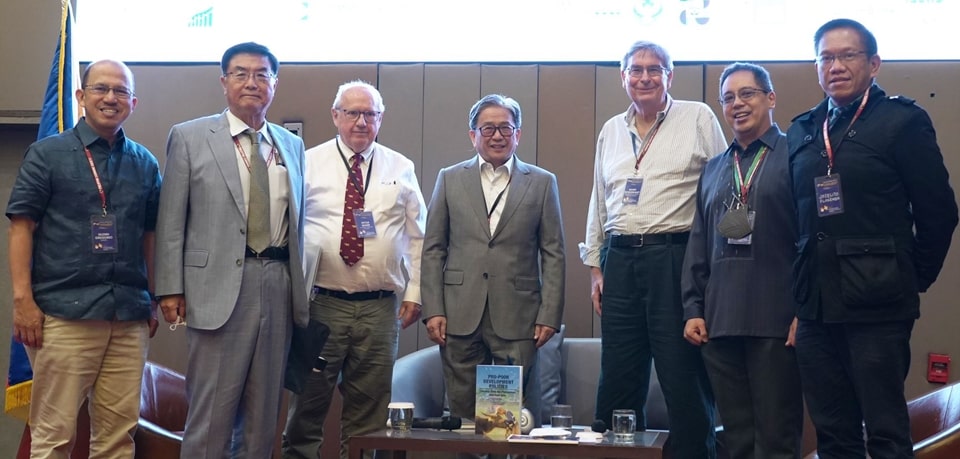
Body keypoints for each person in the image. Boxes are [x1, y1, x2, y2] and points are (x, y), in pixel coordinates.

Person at [788, 18, 957, 458]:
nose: (836, 66)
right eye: (826, 57)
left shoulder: (902, 121)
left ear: (874, 63)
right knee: (832, 433)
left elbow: (939, 212)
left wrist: (909, 278)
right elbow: (797, 220)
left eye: (848, 55)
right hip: (815, 308)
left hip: (879, 307)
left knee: (884, 432)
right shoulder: (803, 130)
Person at [154, 42, 309, 458]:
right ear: (223, 82)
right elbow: (171, 219)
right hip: (216, 287)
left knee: (264, 419)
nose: (251, 83)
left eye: (262, 75)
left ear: (274, 84)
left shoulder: (290, 146)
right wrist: (169, 288)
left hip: (277, 285)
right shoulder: (189, 137)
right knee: (212, 416)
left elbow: (298, 225)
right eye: (240, 73)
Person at [579, 40, 726, 458]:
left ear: (669, 76)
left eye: (654, 69)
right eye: (636, 69)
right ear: (623, 77)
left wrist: (709, 270)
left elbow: (720, 194)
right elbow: (598, 199)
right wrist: (596, 267)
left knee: (684, 376)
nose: (645, 77)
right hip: (620, 259)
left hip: (675, 257)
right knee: (618, 378)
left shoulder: (697, 117)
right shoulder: (611, 129)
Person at [7, 59, 161, 457]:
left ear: (133, 101)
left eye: (121, 91)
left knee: (117, 437)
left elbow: (149, 236)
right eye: (100, 88)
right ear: (81, 96)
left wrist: (152, 298)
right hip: (64, 315)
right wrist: (23, 300)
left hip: (128, 317)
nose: (111, 98)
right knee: (53, 434)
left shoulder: (145, 163)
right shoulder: (47, 154)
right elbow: (21, 227)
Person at [282, 80, 427, 459]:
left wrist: (413, 293)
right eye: (352, 113)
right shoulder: (306, 161)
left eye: (370, 114)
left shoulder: (401, 166)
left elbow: (419, 237)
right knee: (307, 408)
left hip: (380, 309)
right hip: (320, 305)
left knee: (369, 415)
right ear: (335, 116)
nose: (361, 122)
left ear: (381, 118)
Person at [681, 62, 803, 459]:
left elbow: (810, 240)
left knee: (775, 437)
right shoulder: (715, 168)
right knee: (734, 438)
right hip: (720, 322)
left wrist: (805, 310)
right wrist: (693, 308)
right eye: (728, 97)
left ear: (770, 98)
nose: (737, 104)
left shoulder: (796, 157)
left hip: (776, 319)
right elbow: (699, 241)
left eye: (747, 93)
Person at [421, 94, 565, 424]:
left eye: (505, 128)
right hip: (458, 314)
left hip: (519, 315)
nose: (497, 136)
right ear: (473, 135)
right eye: (488, 129)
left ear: (519, 134)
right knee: (462, 414)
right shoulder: (449, 178)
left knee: (510, 418)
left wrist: (549, 314)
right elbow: (433, 249)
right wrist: (434, 309)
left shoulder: (542, 183)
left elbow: (554, 253)